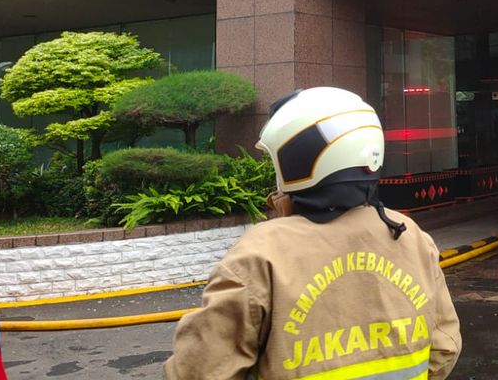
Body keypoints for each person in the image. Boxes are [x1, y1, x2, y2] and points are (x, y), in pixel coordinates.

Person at [164, 87, 462, 380]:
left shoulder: (261, 253)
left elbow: (198, 370)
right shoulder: (410, 235)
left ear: (298, 158)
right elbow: (445, 346)